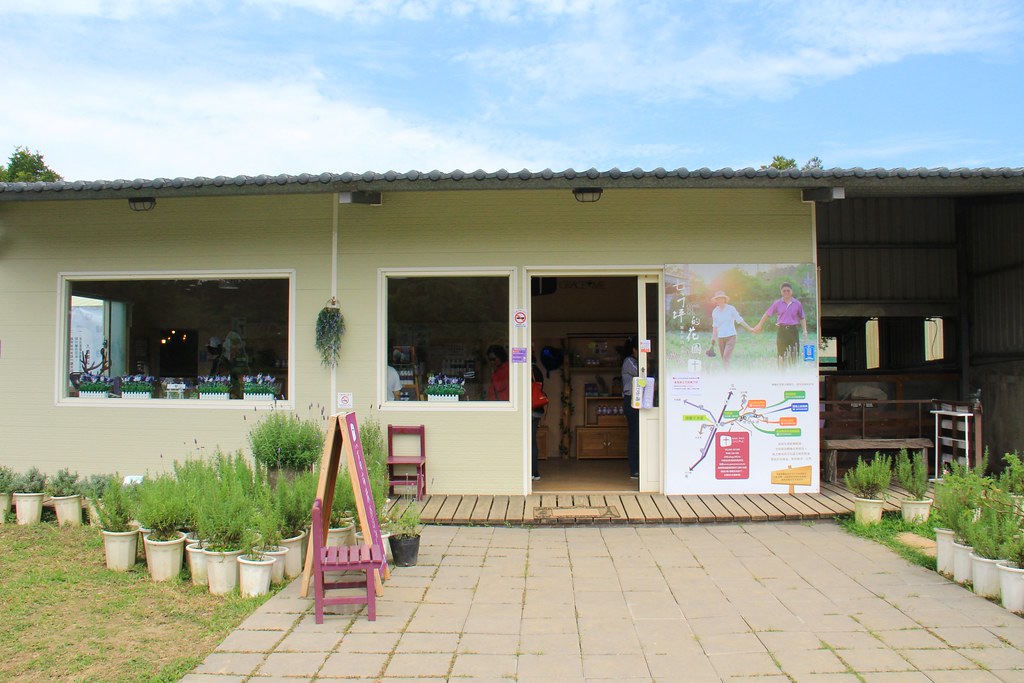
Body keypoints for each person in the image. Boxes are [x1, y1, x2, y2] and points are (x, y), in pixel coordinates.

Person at [754, 282, 807, 367]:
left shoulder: (797, 303)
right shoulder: (777, 303)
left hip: (793, 330)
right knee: (781, 353)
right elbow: (767, 314)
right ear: (781, 292)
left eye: (788, 290)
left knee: (794, 352)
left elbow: (802, 317)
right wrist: (760, 325)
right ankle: (782, 373)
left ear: (791, 291)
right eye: (784, 290)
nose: (786, 292)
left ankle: (793, 371)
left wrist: (805, 330)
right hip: (781, 331)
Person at [709, 290, 755, 370]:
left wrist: (749, 328)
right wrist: (713, 338)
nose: (720, 300)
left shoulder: (731, 309)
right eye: (718, 299)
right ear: (716, 300)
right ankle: (727, 374)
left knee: (726, 357)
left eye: (721, 298)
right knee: (723, 358)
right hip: (720, 338)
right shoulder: (715, 311)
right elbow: (715, 326)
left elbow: (739, 320)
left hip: (731, 336)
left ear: (724, 299)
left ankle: (727, 376)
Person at [621, 338, 640, 479]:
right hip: (631, 400)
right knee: (635, 434)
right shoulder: (629, 362)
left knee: (638, 434)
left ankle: (639, 468)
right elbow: (642, 374)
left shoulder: (635, 361)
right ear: (634, 349)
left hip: (638, 400)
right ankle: (634, 469)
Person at [531, 363, 547, 481]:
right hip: (536, 410)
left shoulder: (527, 369)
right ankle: (534, 472)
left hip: (529, 410)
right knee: (532, 441)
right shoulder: (538, 370)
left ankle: (532, 472)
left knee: (529, 442)